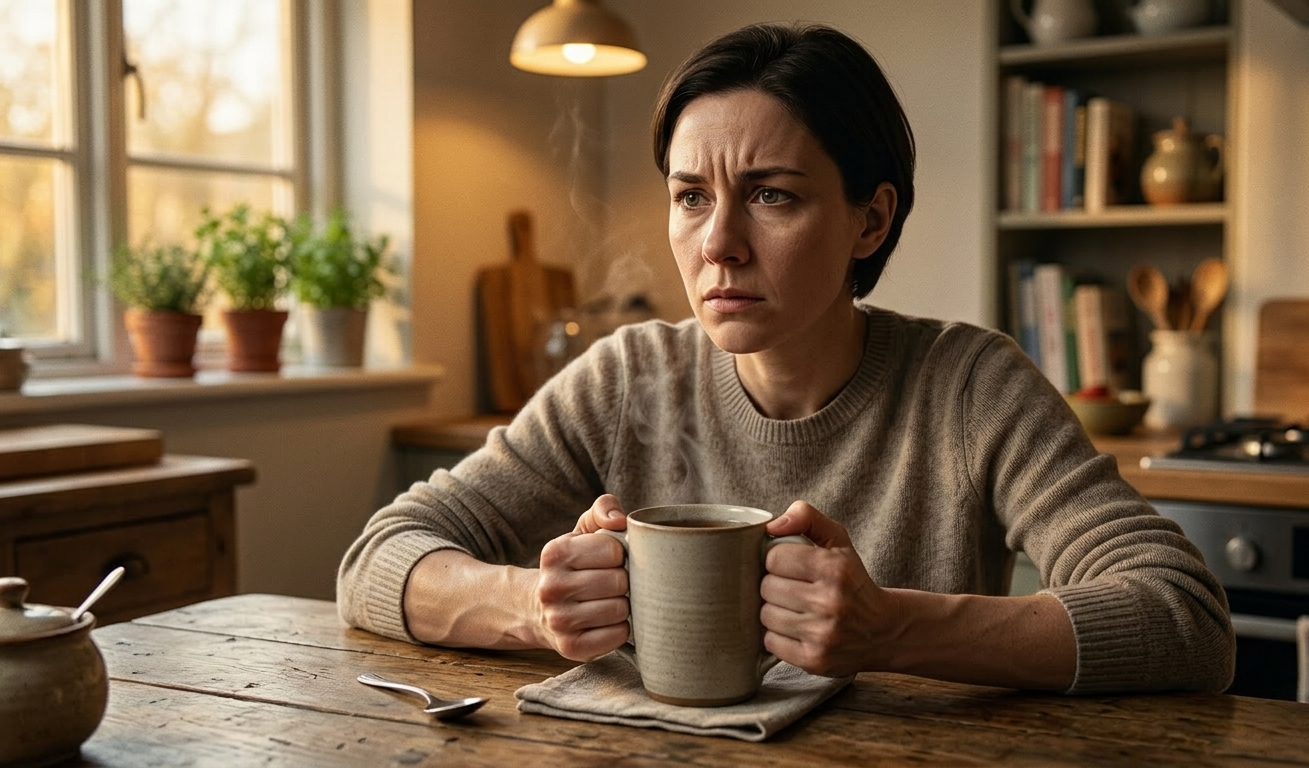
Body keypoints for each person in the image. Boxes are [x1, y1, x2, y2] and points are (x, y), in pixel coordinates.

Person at [338, 23, 1233, 694]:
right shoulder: (626, 378)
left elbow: (1185, 620)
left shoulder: (970, 388)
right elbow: (376, 561)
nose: (718, 243)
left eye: (771, 195)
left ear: (869, 220)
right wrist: (532, 607)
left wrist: (891, 630)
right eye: (691, 196)